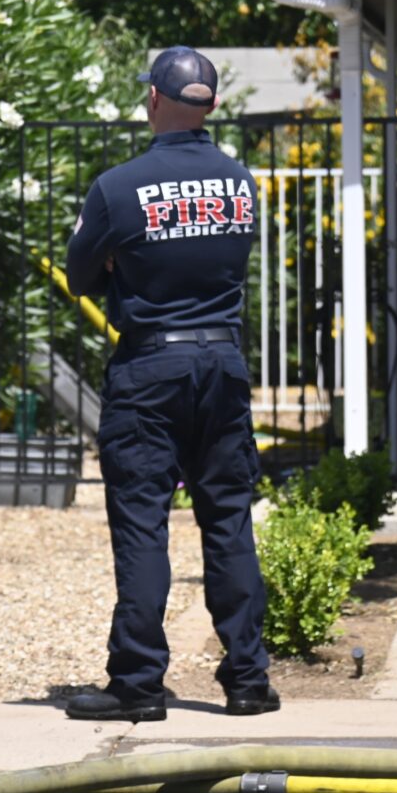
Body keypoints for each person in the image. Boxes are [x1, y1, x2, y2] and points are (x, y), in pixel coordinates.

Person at [64, 46, 278, 722]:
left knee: (142, 525)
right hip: (222, 364)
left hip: (150, 369)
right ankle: (248, 681)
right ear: (209, 104)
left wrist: (121, 267)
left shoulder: (117, 187)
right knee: (228, 520)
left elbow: (80, 276)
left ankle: (137, 683)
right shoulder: (240, 182)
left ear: (154, 98)